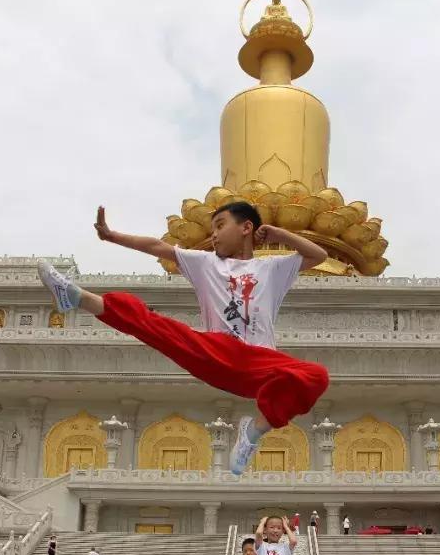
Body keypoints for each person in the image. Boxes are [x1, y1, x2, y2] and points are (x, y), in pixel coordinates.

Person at [37, 203, 330, 476]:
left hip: (260, 362)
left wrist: (279, 233)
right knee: (156, 327)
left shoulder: (272, 268)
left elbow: (320, 256)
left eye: (219, 225)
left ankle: (253, 432)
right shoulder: (205, 263)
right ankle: (77, 297)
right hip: (217, 351)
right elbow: (157, 246)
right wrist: (112, 236)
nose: (213, 235)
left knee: (317, 375)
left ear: (246, 227)